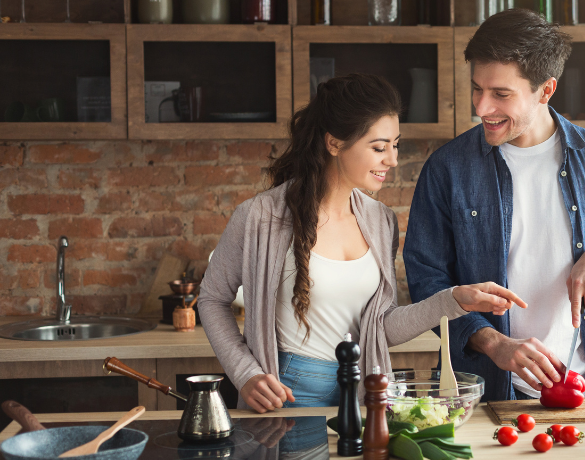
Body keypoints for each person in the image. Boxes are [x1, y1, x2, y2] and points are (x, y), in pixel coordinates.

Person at [198, 74, 525, 413]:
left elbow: (380, 328)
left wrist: (454, 300)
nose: (393, 159)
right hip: (289, 392)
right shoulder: (260, 217)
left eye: (395, 145)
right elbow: (212, 299)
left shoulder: (380, 221)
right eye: (379, 147)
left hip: (365, 392)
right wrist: (245, 373)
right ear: (334, 143)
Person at [403, 9, 585, 402]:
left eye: (501, 94)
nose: (481, 107)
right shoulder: (448, 169)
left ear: (546, 90)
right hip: (487, 392)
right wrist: (493, 342)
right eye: (477, 88)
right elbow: (427, 282)